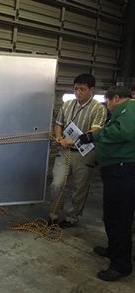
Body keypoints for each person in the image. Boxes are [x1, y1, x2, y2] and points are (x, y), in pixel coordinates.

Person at [78, 86, 135, 281]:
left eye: (108, 102)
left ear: (117, 98)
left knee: (119, 217)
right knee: (112, 214)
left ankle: (121, 265)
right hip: (117, 170)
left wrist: (94, 136)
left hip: (122, 171)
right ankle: (114, 249)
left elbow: (124, 132)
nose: (108, 106)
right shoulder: (126, 111)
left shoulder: (130, 109)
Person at [49, 73, 107, 228]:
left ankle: (72, 217)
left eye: (82, 89)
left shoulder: (99, 109)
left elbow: (95, 131)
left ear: (91, 90)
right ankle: (54, 215)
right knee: (57, 184)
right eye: (76, 88)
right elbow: (58, 123)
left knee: (80, 188)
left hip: (85, 154)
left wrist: (74, 140)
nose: (78, 92)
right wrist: (59, 136)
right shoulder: (67, 105)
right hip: (64, 152)